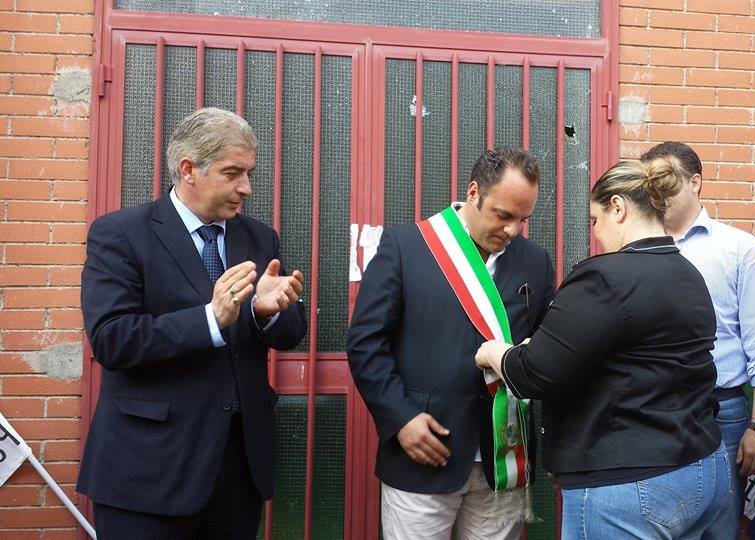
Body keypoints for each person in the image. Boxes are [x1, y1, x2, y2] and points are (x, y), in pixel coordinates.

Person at [79, 107, 308, 538]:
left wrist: (267, 312)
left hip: (238, 468)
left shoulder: (259, 237)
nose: (246, 188)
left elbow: (292, 331)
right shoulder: (121, 234)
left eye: (249, 173)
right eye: (232, 173)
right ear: (188, 170)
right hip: (149, 471)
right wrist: (210, 319)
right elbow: (113, 340)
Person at [475, 158, 728, 539]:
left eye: (595, 220)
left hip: (629, 480)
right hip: (703, 466)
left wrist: (495, 352)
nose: (595, 233)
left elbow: (535, 374)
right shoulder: (688, 273)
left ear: (618, 208)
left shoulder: (605, 278)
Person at [346, 148, 555, 539]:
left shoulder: (536, 262)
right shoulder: (405, 246)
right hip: (424, 453)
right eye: (503, 215)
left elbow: (548, 346)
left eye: (522, 219)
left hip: (504, 458)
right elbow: (365, 344)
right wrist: (400, 418)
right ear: (473, 192)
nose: (512, 230)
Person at [639, 141, 755, 539]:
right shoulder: (634, 250)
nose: (656, 193)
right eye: (648, 184)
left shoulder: (738, 248)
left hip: (720, 413)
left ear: (695, 182)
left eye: (666, 181)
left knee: (718, 529)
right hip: (647, 412)